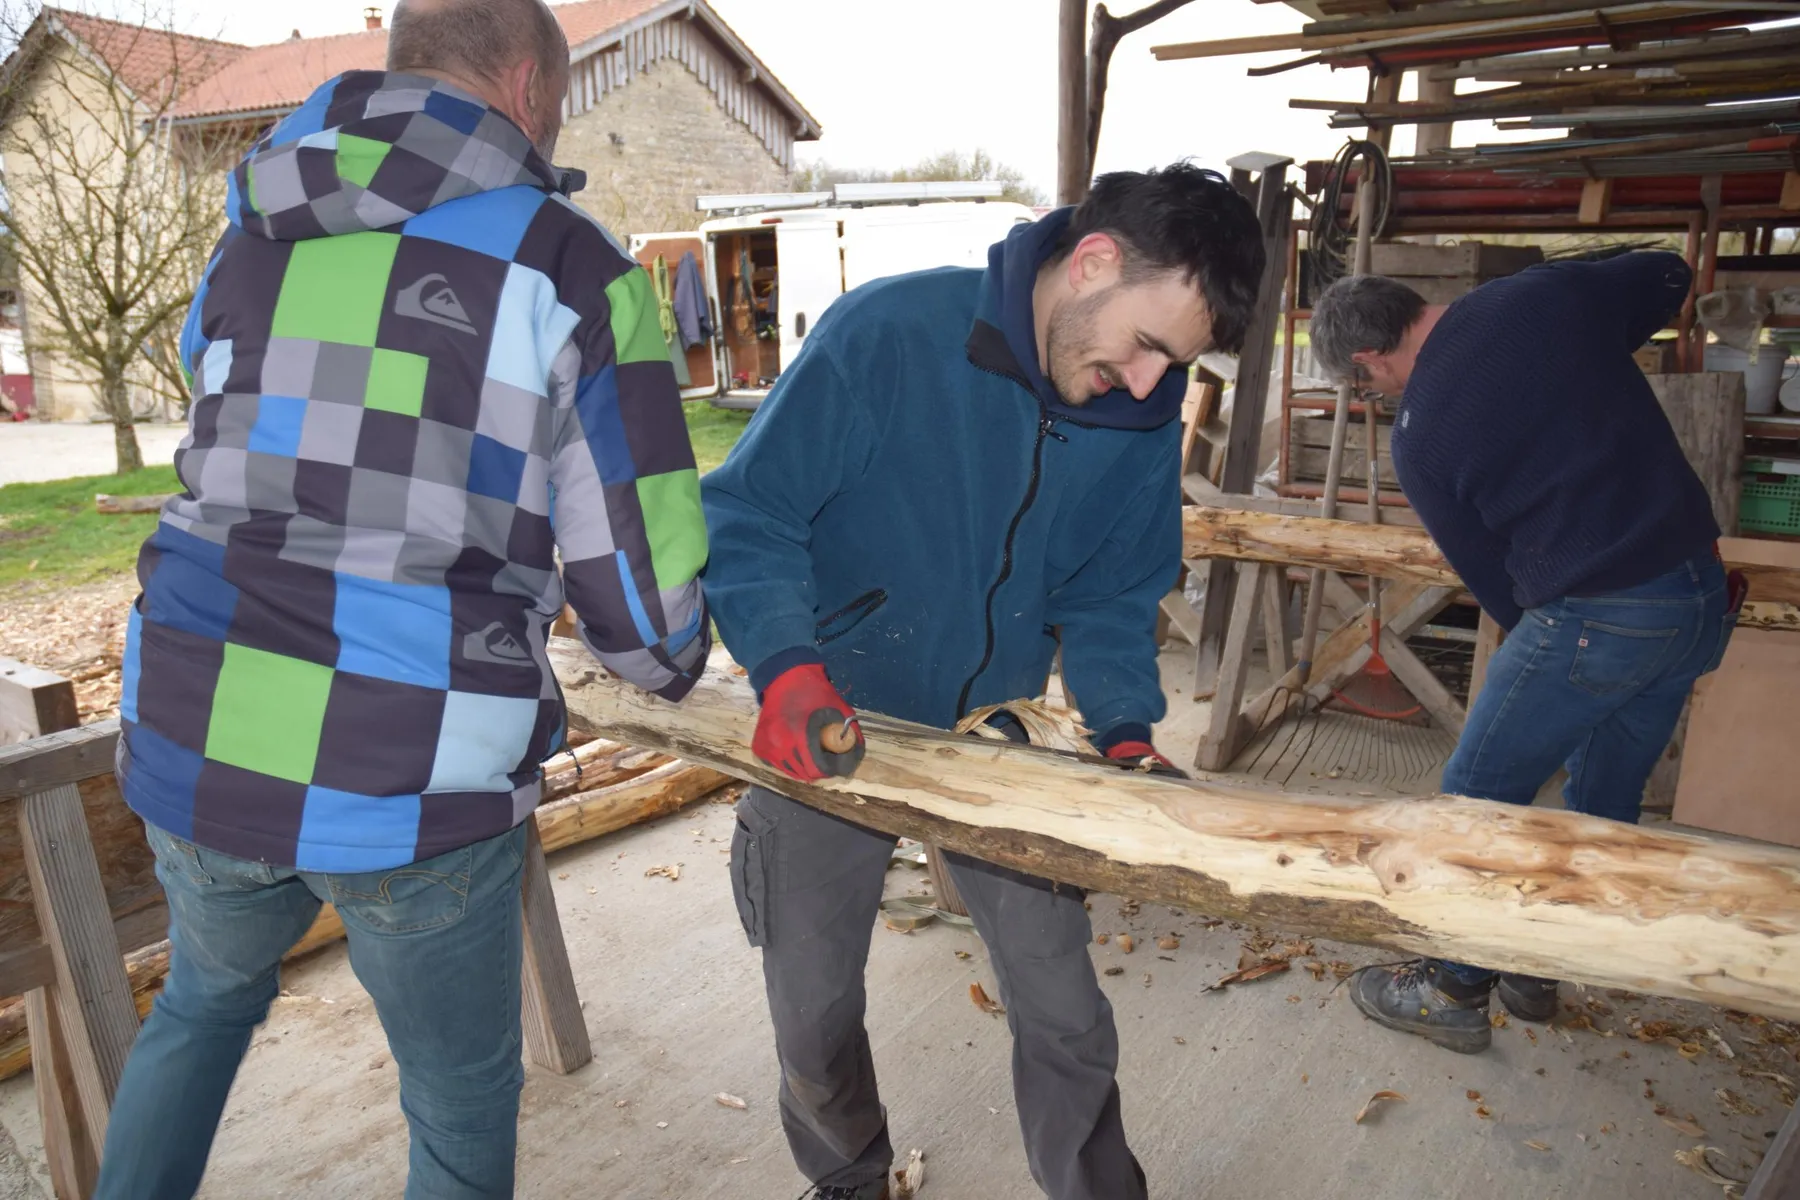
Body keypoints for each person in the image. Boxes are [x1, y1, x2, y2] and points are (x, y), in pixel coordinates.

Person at [97, 1, 710, 1195]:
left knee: (199, 1012)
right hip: (409, 767)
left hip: (197, 717)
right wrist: (674, 662)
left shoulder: (250, 229)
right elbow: (641, 597)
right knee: (458, 1098)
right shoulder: (566, 261)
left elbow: (220, 420)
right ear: (531, 83)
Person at [701, 164, 1264, 1200]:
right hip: (834, 708)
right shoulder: (889, 335)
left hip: (1000, 724)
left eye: (1174, 363)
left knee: (1062, 1006)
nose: (1151, 383)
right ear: (1093, 263)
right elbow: (751, 513)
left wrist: (1126, 731)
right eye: (1147, 345)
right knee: (813, 1004)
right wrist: (784, 667)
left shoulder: (1140, 414)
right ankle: (847, 1177)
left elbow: (1110, 593)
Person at [1308, 252, 1743, 1055]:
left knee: (1476, 792)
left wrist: (1563, 650)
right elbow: (1669, 274)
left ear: (1370, 357)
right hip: (1697, 599)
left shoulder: (1421, 435)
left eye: (1365, 386)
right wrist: (1590, 342)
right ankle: (1542, 962)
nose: (1376, 398)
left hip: (1598, 615)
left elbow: (1497, 588)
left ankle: (1451, 983)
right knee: (1605, 793)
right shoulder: (1538, 296)